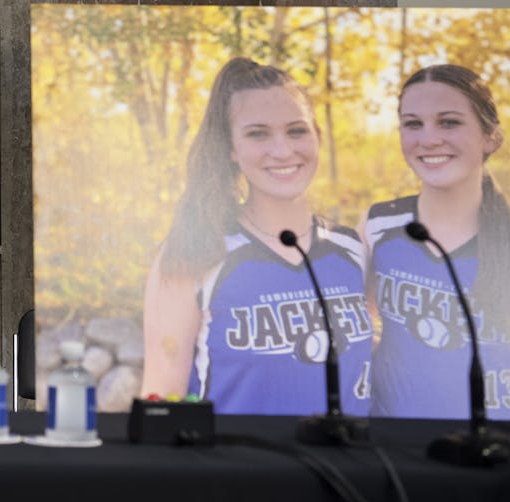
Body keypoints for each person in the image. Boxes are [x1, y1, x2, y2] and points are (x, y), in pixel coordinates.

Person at [141, 58, 372, 415]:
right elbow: (160, 400)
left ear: (318, 137)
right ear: (231, 149)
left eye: (296, 130)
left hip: (349, 469)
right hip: (237, 469)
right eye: (258, 133)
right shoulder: (196, 252)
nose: (282, 150)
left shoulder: (354, 251)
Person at [364, 64, 510, 421]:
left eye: (449, 122)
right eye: (413, 124)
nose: (429, 138)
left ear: (491, 137)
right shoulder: (378, 226)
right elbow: (354, 338)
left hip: (505, 461)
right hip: (398, 456)